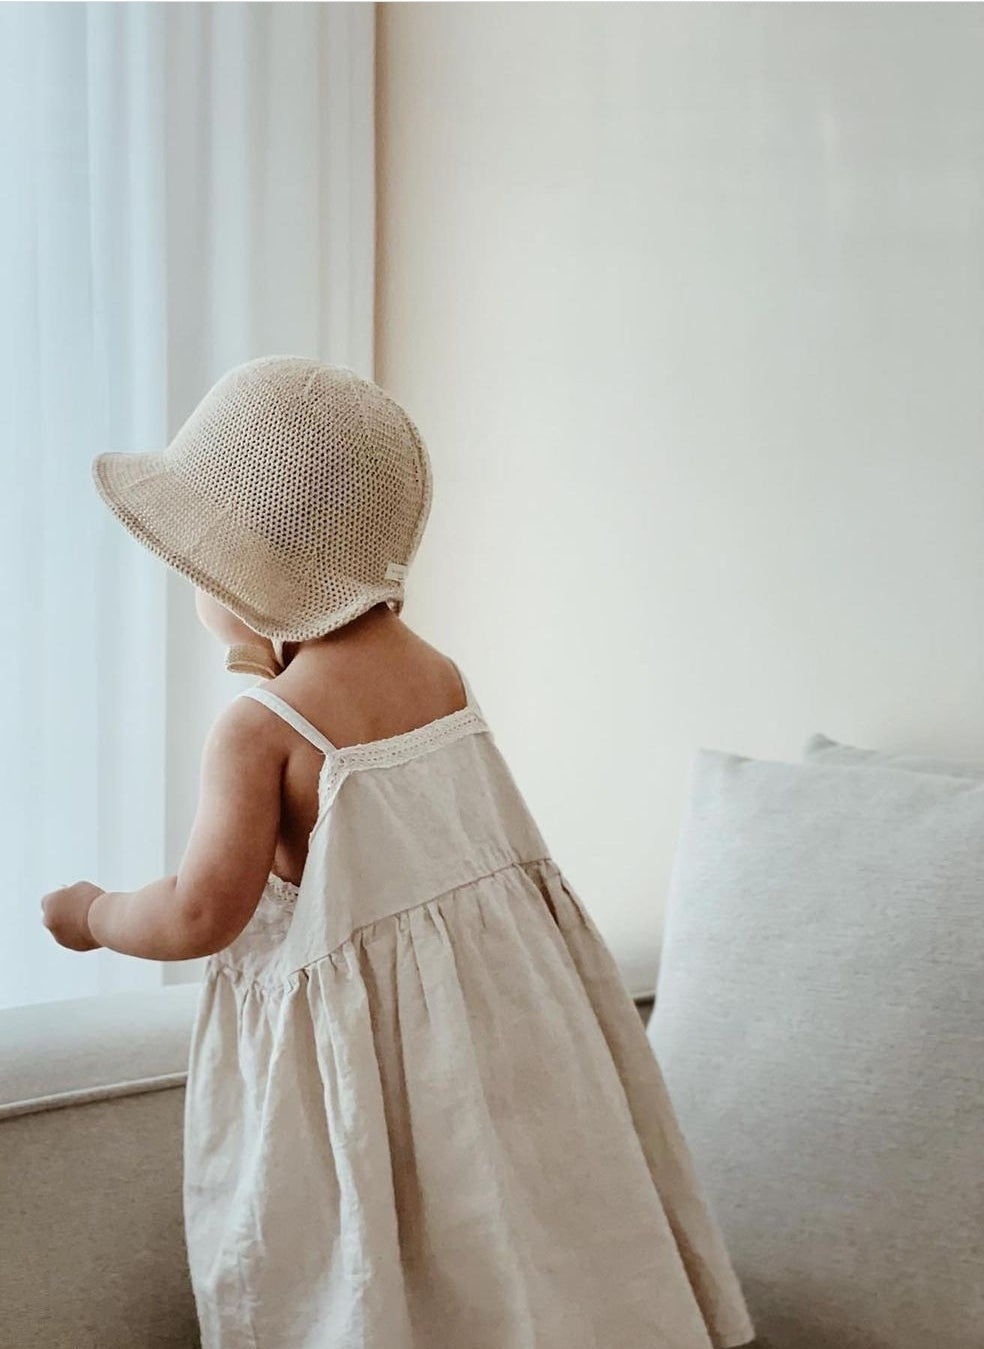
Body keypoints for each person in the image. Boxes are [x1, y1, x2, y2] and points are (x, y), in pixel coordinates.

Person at [40, 356, 755, 1349]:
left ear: (245, 574)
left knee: (377, 1278)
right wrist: (267, 647)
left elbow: (203, 912)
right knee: (526, 1251)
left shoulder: (259, 730)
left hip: (373, 1081)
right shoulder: (438, 674)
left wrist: (94, 912)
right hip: (506, 1042)